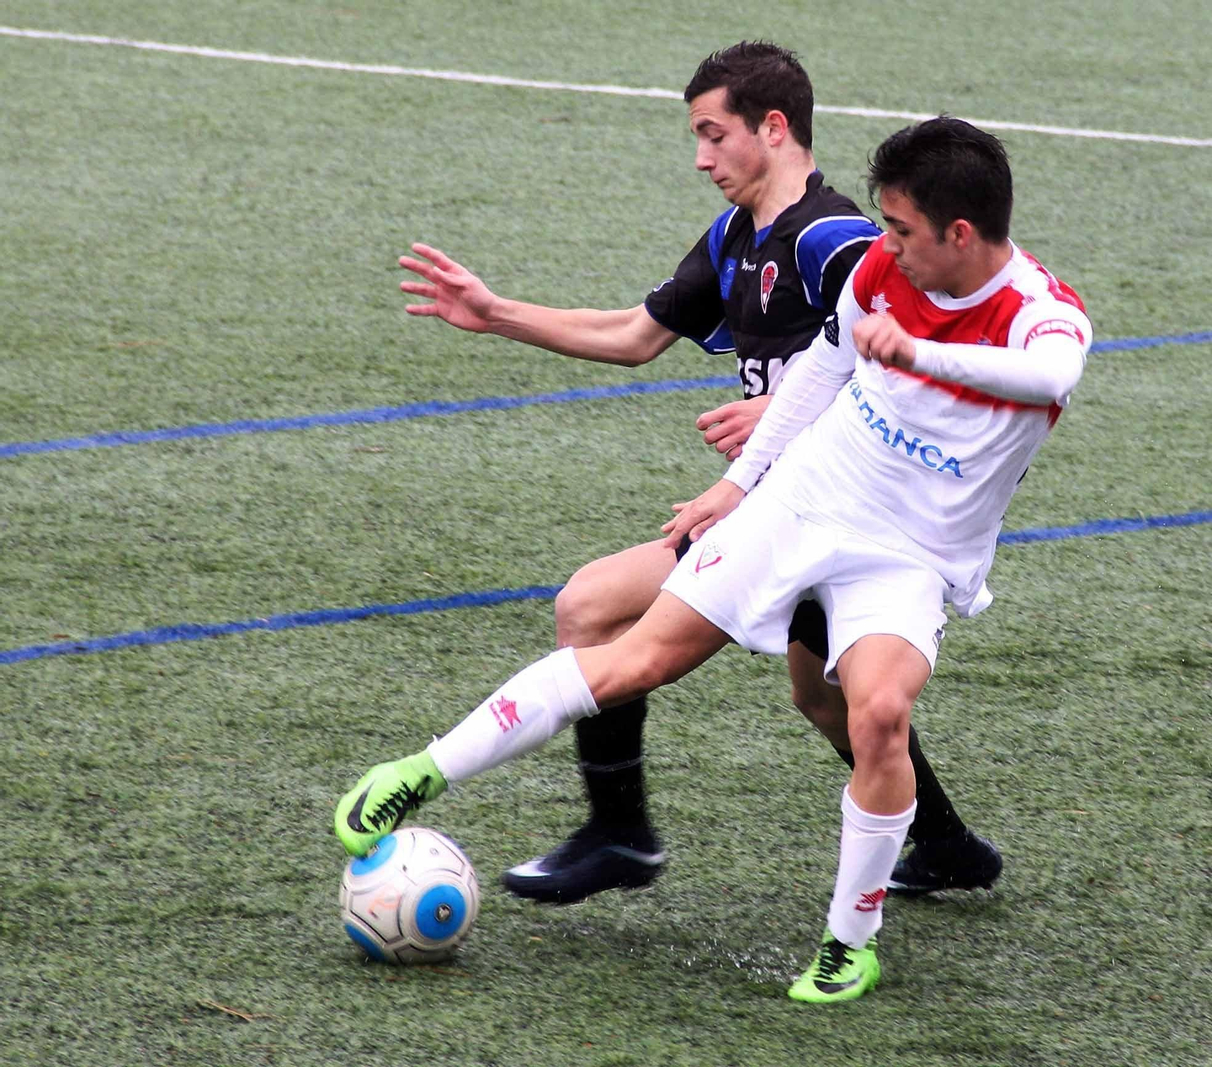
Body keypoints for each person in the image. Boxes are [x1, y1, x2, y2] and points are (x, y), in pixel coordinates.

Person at [338, 116, 1092, 1002]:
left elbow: (1049, 380)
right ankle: (416, 774)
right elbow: (821, 365)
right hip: (807, 498)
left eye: (900, 228)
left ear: (959, 234)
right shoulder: (884, 273)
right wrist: (741, 483)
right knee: (634, 656)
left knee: (876, 712)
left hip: (910, 551)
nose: (887, 245)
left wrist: (919, 352)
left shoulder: (1044, 314)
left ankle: (850, 944)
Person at [391, 42, 999, 904]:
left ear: (775, 127)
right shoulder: (734, 237)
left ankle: (623, 834)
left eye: (715, 135)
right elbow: (635, 335)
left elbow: (908, 357)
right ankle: (945, 845)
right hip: (780, 508)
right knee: (824, 700)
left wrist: (788, 410)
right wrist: (497, 316)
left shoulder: (837, 238)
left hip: (852, 517)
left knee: (603, 609)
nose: (702, 157)